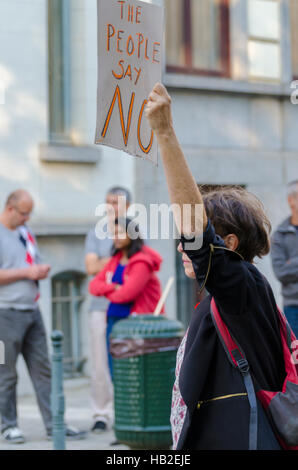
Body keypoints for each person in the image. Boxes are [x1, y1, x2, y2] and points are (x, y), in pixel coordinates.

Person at [144, 83, 286, 450]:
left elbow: (196, 235)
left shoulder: (244, 286)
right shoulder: (234, 295)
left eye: (192, 243)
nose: (181, 247)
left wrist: (164, 132)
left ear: (230, 245)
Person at [0, 190, 86, 444]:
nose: (27, 218)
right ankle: (8, 425)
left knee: (44, 371)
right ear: (10, 208)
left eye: (29, 213)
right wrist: (28, 272)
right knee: (5, 372)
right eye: (24, 213)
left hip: (32, 313)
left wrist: (40, 269)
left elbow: (33, 262)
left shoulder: (25, 233)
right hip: (4, 315)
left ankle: (54, 424)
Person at [89, 217, 164, 379]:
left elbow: (125, 295)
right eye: (113, 233)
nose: (115, 237)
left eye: (120, 232)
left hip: (135, 324)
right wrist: (113, 287)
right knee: (116, 373)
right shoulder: (115, 260)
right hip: (114, 322)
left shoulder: (141, 262)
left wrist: (111, 290)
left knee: (133, 375)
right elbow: (93, 286)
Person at [84, 186, 131, 433]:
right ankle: (101, 414)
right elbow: (91, 267)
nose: (111, 206)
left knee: (128, 362)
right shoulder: (96, 232)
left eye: (116, 202)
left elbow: (138, 266)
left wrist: (108, 268)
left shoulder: (135, 231)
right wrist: (116, 264)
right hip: (101, 308)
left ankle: (128, 410)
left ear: (129, 207)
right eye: (108, 201)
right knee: (100, 364)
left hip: (128, 309)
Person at [271, 180, 298, 339]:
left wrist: (292, 262)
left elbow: (288, 269)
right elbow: (281, 272)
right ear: (291, 201)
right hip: (293, 307)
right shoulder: (279, 235)